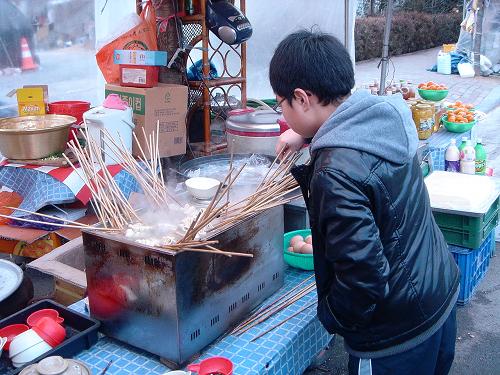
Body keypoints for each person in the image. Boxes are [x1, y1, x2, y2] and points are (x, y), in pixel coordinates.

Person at [269, 30, 459, 375]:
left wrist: (331, 316)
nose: (283, 113)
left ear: (301, 97)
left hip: (395, 336)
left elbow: (364, 279)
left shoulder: (336, 171)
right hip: (437, 294)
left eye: (281, 103)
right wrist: (306, 132)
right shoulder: (386, 115)